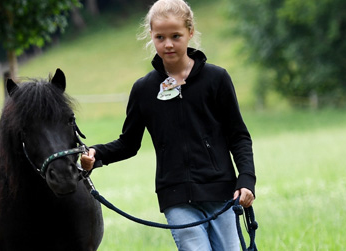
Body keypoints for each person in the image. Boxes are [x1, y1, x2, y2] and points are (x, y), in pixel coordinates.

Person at [79, 0, 256, 250]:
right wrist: (96, 154)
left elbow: (238, 136)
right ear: (151, 36)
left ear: (190, 33)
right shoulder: (143, 90)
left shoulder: (217, 79)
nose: (168, 44)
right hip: (175, 197)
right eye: (160, 37)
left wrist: (246, 180)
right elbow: (128, 143)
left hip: (222, 193)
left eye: (176, 36)